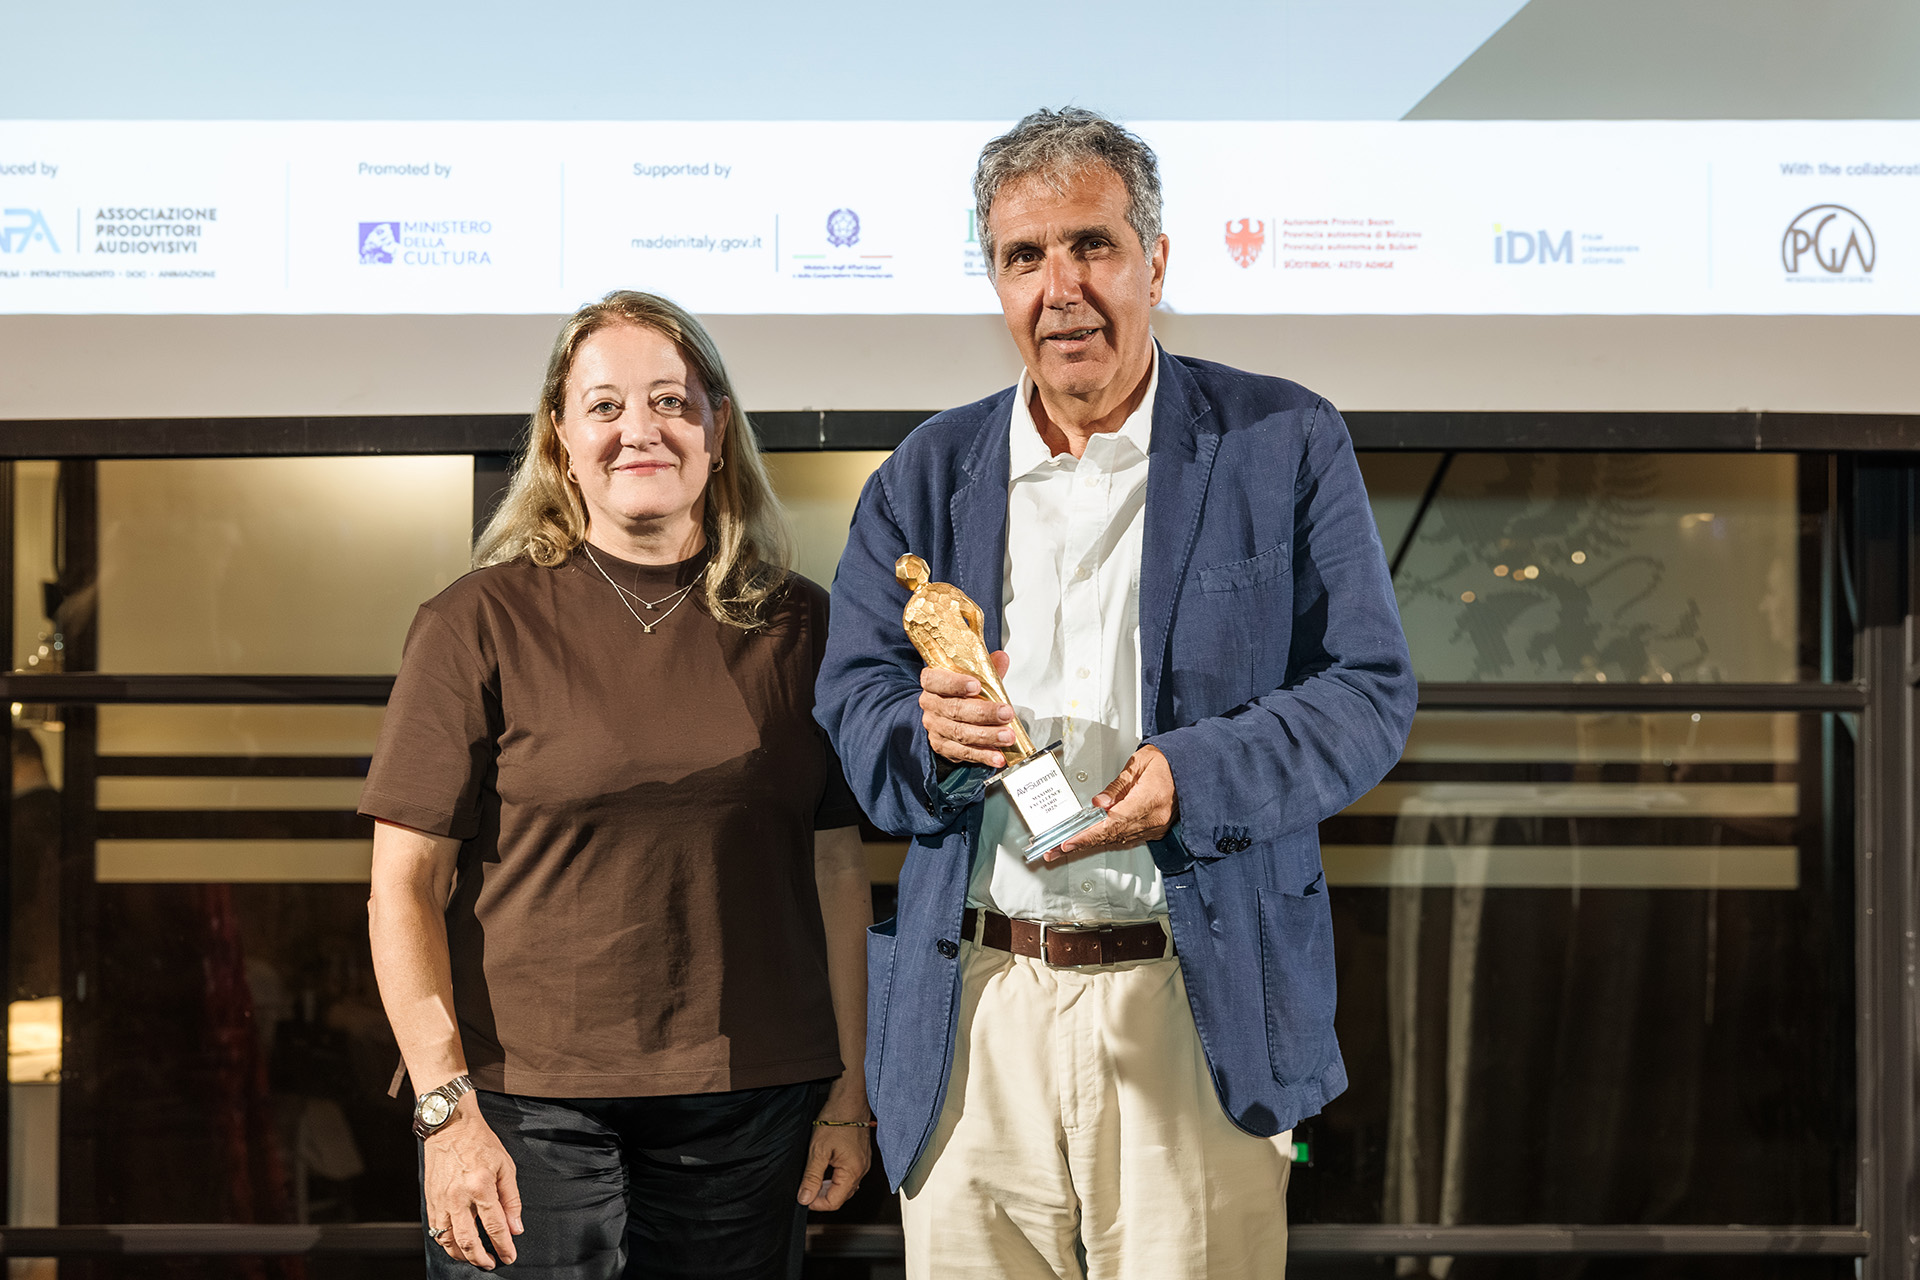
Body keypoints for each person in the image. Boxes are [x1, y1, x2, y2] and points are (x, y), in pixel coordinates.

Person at [814, 108, 1416, 1278]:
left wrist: (1195, 775)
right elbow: (856, 708)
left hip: (1195, 995)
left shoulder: (1282, 440)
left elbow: (1367, 692)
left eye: (1091, 244)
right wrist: (929, 735)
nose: (1061, 289)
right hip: (974, 1007)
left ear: (1157, 260)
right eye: (1023, 256)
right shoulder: (923, 473)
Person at [364, 290, 872, 1279]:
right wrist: (445, 1111)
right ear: (560, 438)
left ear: (718, 430)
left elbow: (838, 870)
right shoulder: (474, 621)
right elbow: (403, 887)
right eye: (604, 406)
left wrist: (848, 1094)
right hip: (517, 1106)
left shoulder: (803, 626)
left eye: (671, 401)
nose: (640, 429)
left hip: (750, 1107)